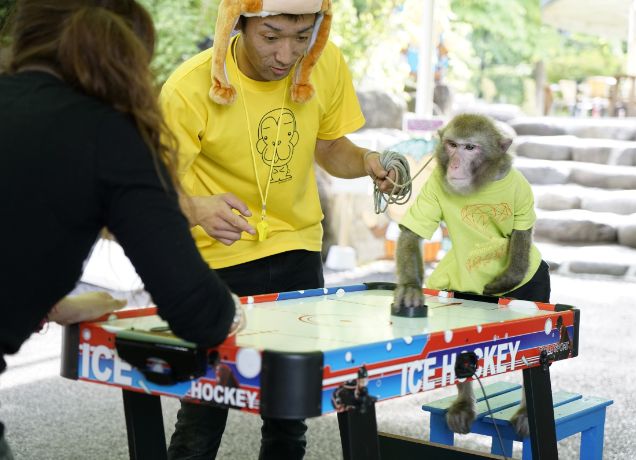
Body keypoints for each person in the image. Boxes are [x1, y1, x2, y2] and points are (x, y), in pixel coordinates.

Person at [0, 1, 243, 458]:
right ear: (129, 60)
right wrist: (233, 310)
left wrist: (49, 306)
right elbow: (200, 314)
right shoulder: (110, 135)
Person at [160, 1, 399, 458]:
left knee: (289, 413)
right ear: (238, 22)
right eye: (271, 37)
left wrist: (368, 162)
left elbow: (329, 145)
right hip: (217, 261)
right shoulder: (190, 87)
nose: (287, 54)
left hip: (299, 252)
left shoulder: (322, 61)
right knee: (206, 406)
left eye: (301, 35)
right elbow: (150, 186)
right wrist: (194, 206)